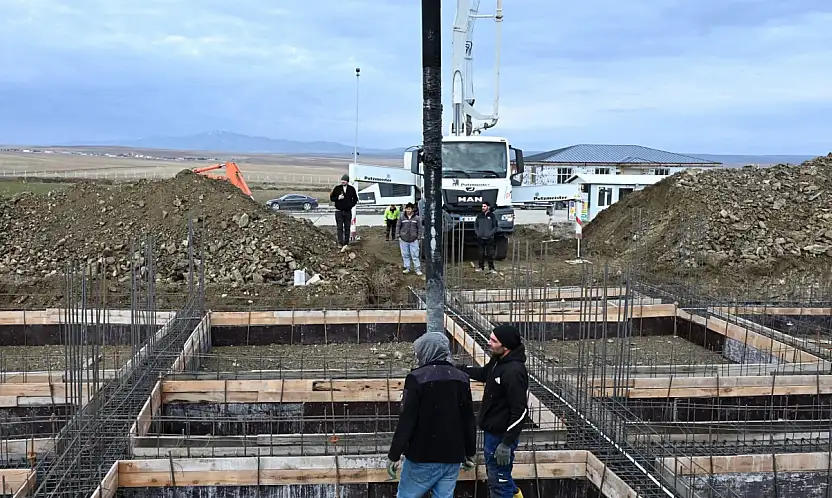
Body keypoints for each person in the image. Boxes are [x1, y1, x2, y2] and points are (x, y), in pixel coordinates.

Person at [387, 333, 476, 498]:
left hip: (422, 456)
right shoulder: (462, 378)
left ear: (426, 351)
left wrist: (394, 454)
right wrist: (470, 452)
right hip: (452, 456)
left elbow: (407, 420)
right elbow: (468, 419)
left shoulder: (416, 378)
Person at [456, 325, 529, 498]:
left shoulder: (513, 371)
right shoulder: (498, 360)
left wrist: (506, 443)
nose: (489, 343)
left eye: (494, 341)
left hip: (501, 436)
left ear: (507, 346)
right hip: (492, 432)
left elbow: (520, 411)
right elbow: (484, 373)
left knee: (498, 482)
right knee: (498, 475)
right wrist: (459, 368)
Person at [329, 174, 358, 252]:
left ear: (347, 181)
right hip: (339, 211)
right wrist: (338, 198)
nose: (343, 181)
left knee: (347, 228)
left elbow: (355, 199)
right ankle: (340, 243)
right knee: (339, 228)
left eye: (344, 180)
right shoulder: (337, 188)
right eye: (342, 180)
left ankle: (346, 243)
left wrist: (350, 205)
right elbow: (332, 198)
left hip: (348, 212)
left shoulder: (351, 189)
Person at [397, 202, 423, 276]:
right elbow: (398, 226)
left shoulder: (417, 218)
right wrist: (398, 235)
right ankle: (407, 268)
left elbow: (420, 228)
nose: (407, 210)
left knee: (415, 254)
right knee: (405, 254)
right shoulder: (402, 217)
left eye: (409, 209)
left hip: (414, 240)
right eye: (406, 209)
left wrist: (418, 237)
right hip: (403, 239)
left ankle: (417, 269)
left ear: (412, 209)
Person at [474, 202, 498, 273]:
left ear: (488, 207)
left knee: (490, 253)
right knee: (480, 253)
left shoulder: (492, 216)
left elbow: (495, 226)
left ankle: (491, 268)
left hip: (489, 238)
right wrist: (478, 233)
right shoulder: (479, 216)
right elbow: (476, 225)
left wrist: (490, 234)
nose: (483, 208)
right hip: (480, 238)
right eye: (482, 206)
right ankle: (481, 267)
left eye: (484, 206)